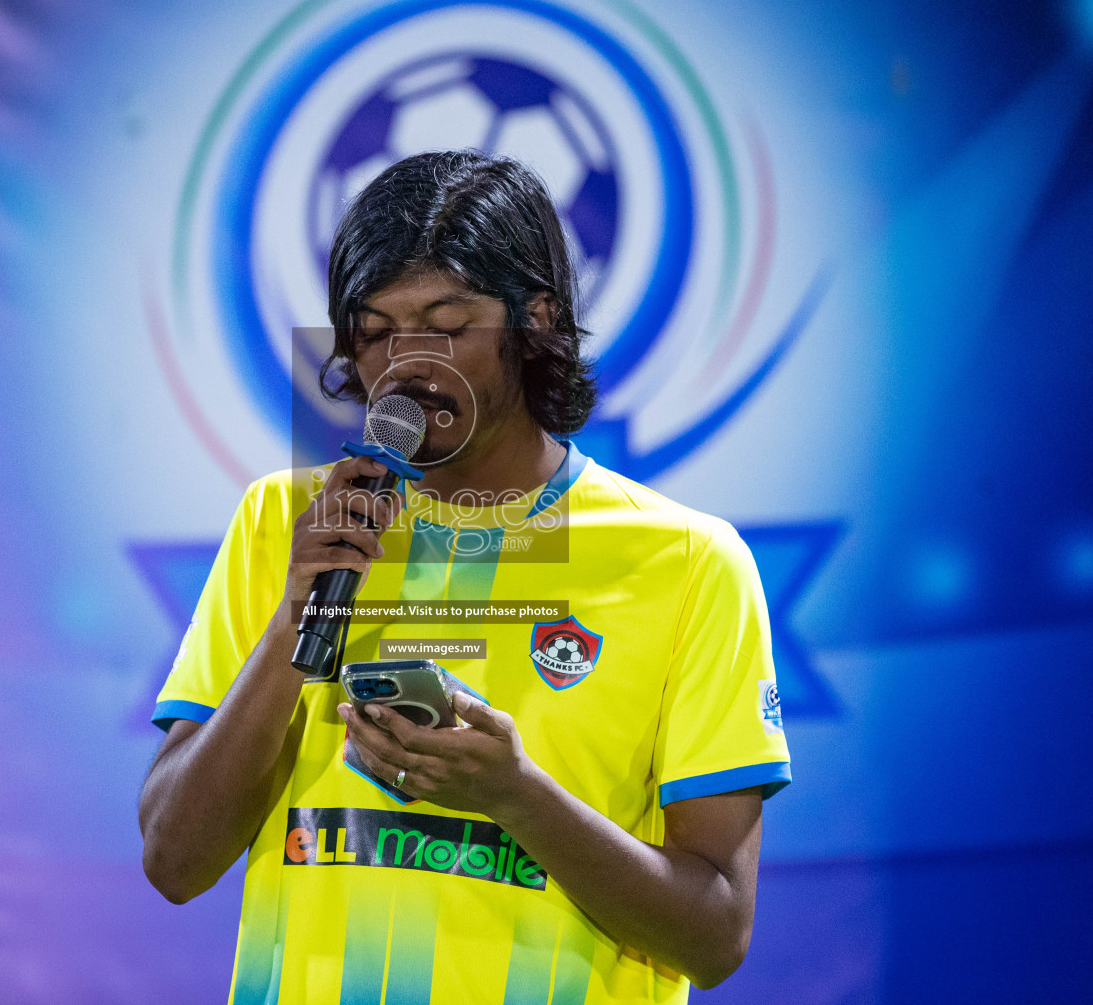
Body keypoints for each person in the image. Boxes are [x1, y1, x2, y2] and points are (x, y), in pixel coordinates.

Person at [139, 150, 791, 1004]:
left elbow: (714, 937)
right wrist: (291, 625)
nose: (408, 363)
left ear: (536, 322)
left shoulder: (690, 564)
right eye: (374, 332)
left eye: (448, 325)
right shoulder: (283, 526)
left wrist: (516, 797)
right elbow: (176, 863)